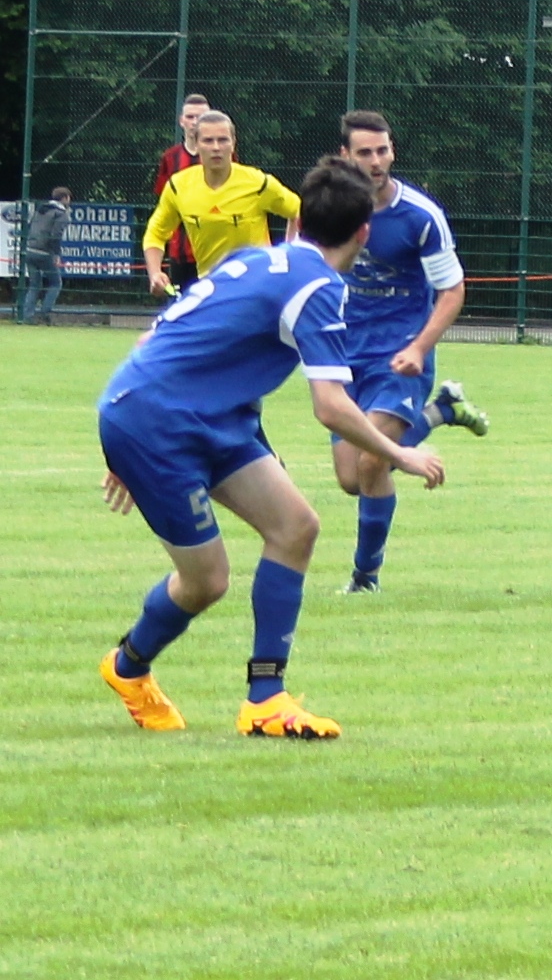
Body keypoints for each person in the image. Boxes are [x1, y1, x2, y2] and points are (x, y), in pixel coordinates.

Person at [97, 157, 445, 739]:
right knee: (208, 581)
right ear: (364, 233)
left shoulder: (254, 259)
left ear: (301, 219)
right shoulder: (320, 286)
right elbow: (330, 406)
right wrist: (403, 454)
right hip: (157, 424)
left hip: (198, 415)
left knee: (296, 527)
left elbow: (154, 333)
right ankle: (128, 666)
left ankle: (266, 697)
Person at [330, 110, 489, 595]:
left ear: (392, 151)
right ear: (345, 156)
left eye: (383, 150)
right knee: (349, 479)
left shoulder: (420, 217)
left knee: (372, 463)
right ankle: (441, 411)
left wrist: (420, 347)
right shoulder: (328, 209)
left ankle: (365, 579)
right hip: (342, 352)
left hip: (400, 356)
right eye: (365, 152)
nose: (376, 161)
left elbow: (453, 289)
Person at [143, 110, 300, 291]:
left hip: (258, 286)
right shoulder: (178, 186)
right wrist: (155, 274)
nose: (216, 147)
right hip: (211, 287)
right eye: (208, 141)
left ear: (233, 144)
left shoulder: (258, 183)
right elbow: (155, 234)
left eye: (223, 140)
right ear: (197, 144)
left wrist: (288, 253)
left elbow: (299, 211)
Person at [153, 94, 211, 290]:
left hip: (214, 249)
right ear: (181, 121)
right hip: (181, 251)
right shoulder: (170, 158)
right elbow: (164, 203)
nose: (195, 122)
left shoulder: (223, 155)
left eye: (201, 117)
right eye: (190, 117)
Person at [20, 187, 71, 324]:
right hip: (45, 252)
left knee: (34, 285)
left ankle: (27, 316)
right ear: (64, 198)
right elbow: (56, 236)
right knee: (56, 283)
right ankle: (45, 312)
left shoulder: (40, 209)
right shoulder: (61, 214)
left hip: (30, 250)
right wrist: (56, 254)